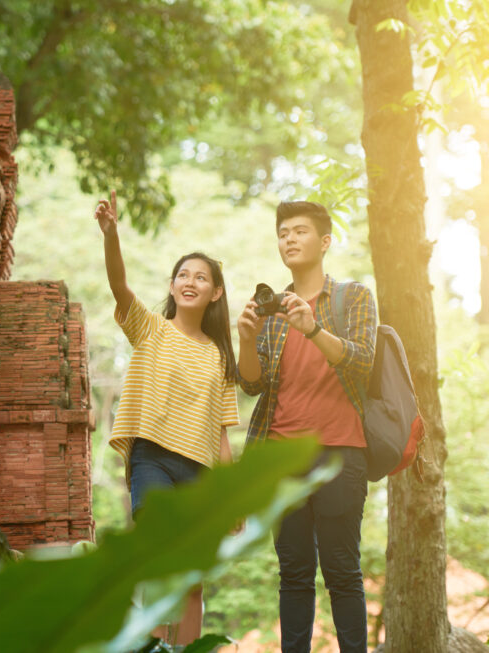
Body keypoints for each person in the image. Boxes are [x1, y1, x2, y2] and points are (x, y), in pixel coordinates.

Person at [94, 191, 239, 647]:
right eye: (182, 275)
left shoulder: (219, 356)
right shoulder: (151, 328)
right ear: (173, 285)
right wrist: (111, 235)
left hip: (199, 472)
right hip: (152, 460)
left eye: (201, 277)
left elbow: (221, 434)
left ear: (215, 292)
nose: (190, 281)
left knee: (193, 578)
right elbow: (120, 286)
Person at [236, 200, 376, 653]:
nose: (289, 239)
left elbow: (361, 362)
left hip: (340, 451)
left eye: (299, 231)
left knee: (342, 571)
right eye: (283, 233)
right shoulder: (271, 310)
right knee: (293, 574)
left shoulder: (352, 297)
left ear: (325, 241)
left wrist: (314, 329)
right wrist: (246, 341)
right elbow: (252, 384)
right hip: (281, 456)